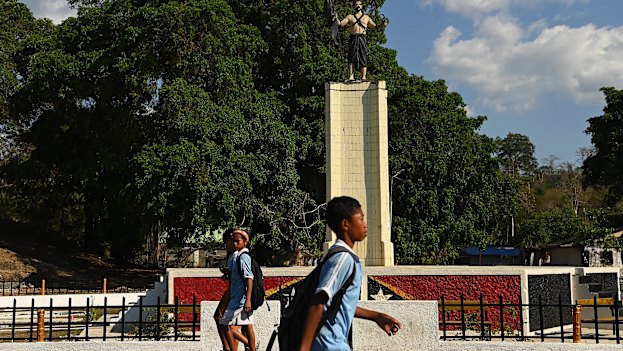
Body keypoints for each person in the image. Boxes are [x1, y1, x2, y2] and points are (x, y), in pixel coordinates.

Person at [298, 196, 401, 351]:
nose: (365, 225)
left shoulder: (341, 256)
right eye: (361, 219)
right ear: (345, 224)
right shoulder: (343, 258)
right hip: (330, 344)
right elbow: (319, 300)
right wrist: (304, 349)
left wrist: (375, 316)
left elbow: (339, 304)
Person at [219, 229, 257, 351]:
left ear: (245, 242)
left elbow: (249, 278)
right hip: (238, 297)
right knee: (247, 324)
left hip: (241, 298)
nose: (234, 244)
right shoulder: (236, 256)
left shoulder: (243, 257)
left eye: (237, 241)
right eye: (233, 241)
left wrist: (248, 300)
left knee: (224, 323)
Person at [335, 0, 387, 82]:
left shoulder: (366, 17)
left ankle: (364, 76)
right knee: (352, 55)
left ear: (362, 6)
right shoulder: (350, 17)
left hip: (362, 37)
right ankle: (351, 76)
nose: (358, 6)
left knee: (363, 55)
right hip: (353, 36)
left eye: (359, 4)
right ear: (353, 6)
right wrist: (336, 17)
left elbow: (376, 27)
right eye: (356, 4)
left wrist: (382, 25)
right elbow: (340, 24)